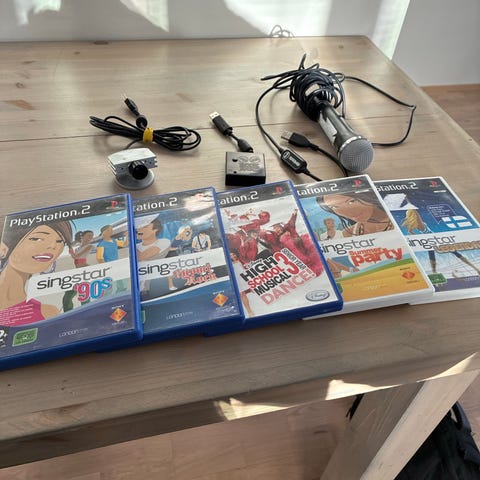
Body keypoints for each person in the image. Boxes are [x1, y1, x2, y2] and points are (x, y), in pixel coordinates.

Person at [0, 221, 73, 326]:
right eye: (37, 239)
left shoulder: (48, 313)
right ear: (3, 248)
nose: (52, 246)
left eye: (59, 241)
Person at [317, 191, 393, 237]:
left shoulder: (396, 218)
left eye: (352, 201)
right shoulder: (348, 234)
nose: (349, 213)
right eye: (334, 207)